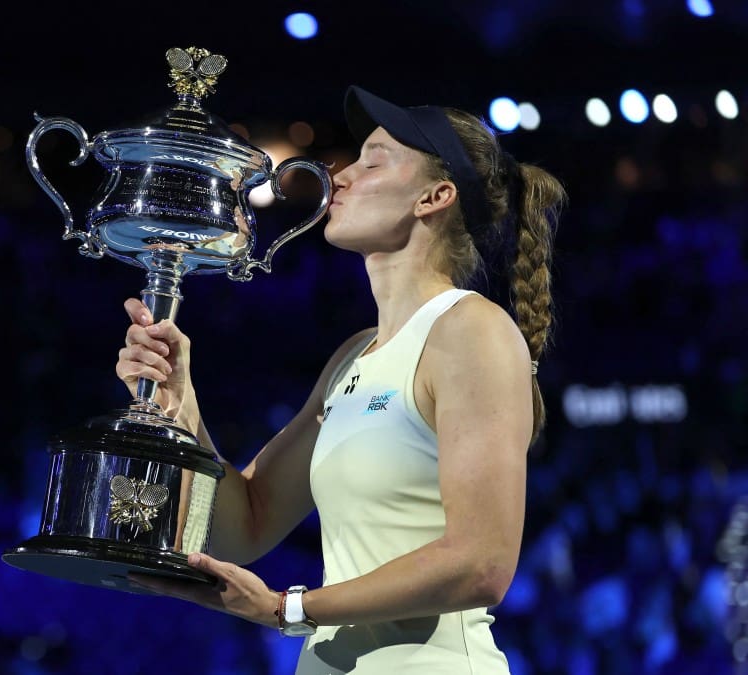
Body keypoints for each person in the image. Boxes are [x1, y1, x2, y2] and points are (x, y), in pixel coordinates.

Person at [118, 86, 566, 674]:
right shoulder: (355, 355)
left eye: (373, 161)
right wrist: (184, 408)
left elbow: (481, 563)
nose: (341, 176)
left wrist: (287, 609)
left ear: (435, 196)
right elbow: (244, 524)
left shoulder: (472, 331)